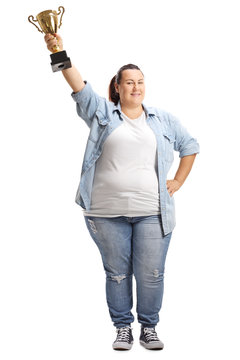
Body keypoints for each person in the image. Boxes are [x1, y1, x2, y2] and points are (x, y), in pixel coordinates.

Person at [44, 33, 200, 351]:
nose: (135, 87)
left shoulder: (163, 120)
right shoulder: (102, 113)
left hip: (154, 211)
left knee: (152, 274)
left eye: (140, 81)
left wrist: (179, 181)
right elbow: (78, 87)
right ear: (117, 86)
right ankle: (122, 328)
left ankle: (149, 328)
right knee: (117, 274)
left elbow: (190, 147)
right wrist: (58, 52)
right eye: (128, 82)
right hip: (105, 213)